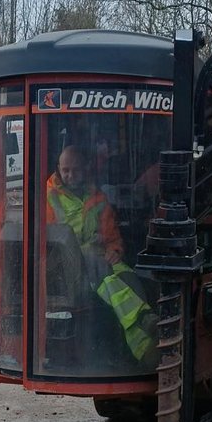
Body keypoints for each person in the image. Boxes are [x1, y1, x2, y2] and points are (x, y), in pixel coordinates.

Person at [45, 145, 157, 367]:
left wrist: (114, 251)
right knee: (101, 270)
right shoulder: (48, 197)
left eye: (75, 170)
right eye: (65, 170)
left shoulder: (97, 198)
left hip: (96, 261)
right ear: (58, 168)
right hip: (62, 270)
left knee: (128, 279)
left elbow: (112, 235)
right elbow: (47, 242)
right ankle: (144, 318)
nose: (70, 175)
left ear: (86, 168)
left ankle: (147, 352)